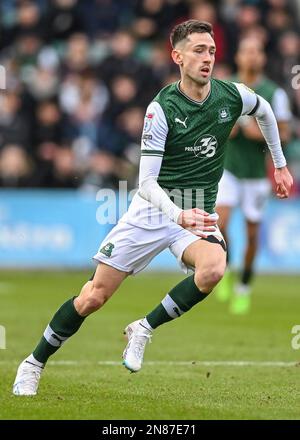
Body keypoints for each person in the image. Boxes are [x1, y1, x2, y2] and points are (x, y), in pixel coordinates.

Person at [13, 20, 293, 396]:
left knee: (213, 270)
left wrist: (279, 163)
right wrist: (177, 215)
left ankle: (143, 328)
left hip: (195, 211)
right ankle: (33, 363)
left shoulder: (231, 95)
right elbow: (145, 184)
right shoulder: (161, 109)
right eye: (198, 50)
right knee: (93, 297)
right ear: (177, 56)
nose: (207, 57)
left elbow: (265, 111)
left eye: (211, 50)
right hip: (154, 210)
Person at [215, 37, 291, 314]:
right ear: (238, 56)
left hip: (257, 174)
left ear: (262, 58)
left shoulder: (274, 93)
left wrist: (257, 134)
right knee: (219, 223)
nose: (251, 56)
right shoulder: (225, 87)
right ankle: (223, 266)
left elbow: (285, 133)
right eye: (246, 50)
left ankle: (244, 286)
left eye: (256, 51)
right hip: (229, 169)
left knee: (252, 233)